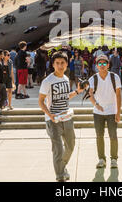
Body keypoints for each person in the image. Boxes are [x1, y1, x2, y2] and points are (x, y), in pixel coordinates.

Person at [38, 51, 84, 182]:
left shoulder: (65, 78)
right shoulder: (47, 81)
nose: (60, 66)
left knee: (71, 145)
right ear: (52, 64)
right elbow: (41, 101)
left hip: (66, 117)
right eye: (57, 63)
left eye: (62, 63)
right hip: (53, 120)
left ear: (67, 64)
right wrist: (49, 115)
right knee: (58, 149)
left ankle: (62, 167)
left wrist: (77, 91)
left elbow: (65, 97)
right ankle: (60, 176)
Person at [88, 54, 122, 169]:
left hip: (112, 111)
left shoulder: (114, 77)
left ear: (108, 65)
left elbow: (118, 96)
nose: (102, 65)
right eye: (100, 63)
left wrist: (118, 112)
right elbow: (90, 94)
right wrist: (96, 105)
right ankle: (101, 159)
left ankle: (114, 159)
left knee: (113, 136)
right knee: (99, 136)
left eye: (104, 63)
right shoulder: (93, 79)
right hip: (98, 113)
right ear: (96, 65)